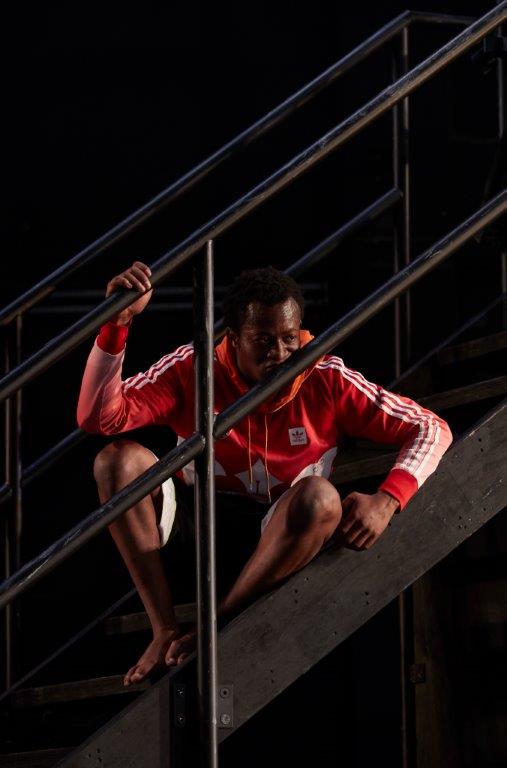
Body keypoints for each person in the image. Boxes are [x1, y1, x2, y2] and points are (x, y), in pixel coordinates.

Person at [77, 261, 452, 686]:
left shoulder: (325, 376)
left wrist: (387, 500)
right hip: (195, 533)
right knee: (115, 462)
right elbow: (98, 418)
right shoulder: (195, 366)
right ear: (233, 338)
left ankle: (214, 631)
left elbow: (431, 428)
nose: (280, 353)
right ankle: (163, 629)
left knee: (321, 497)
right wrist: (117, 325)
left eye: (290, 338)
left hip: (277, 537)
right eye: (263, 340)